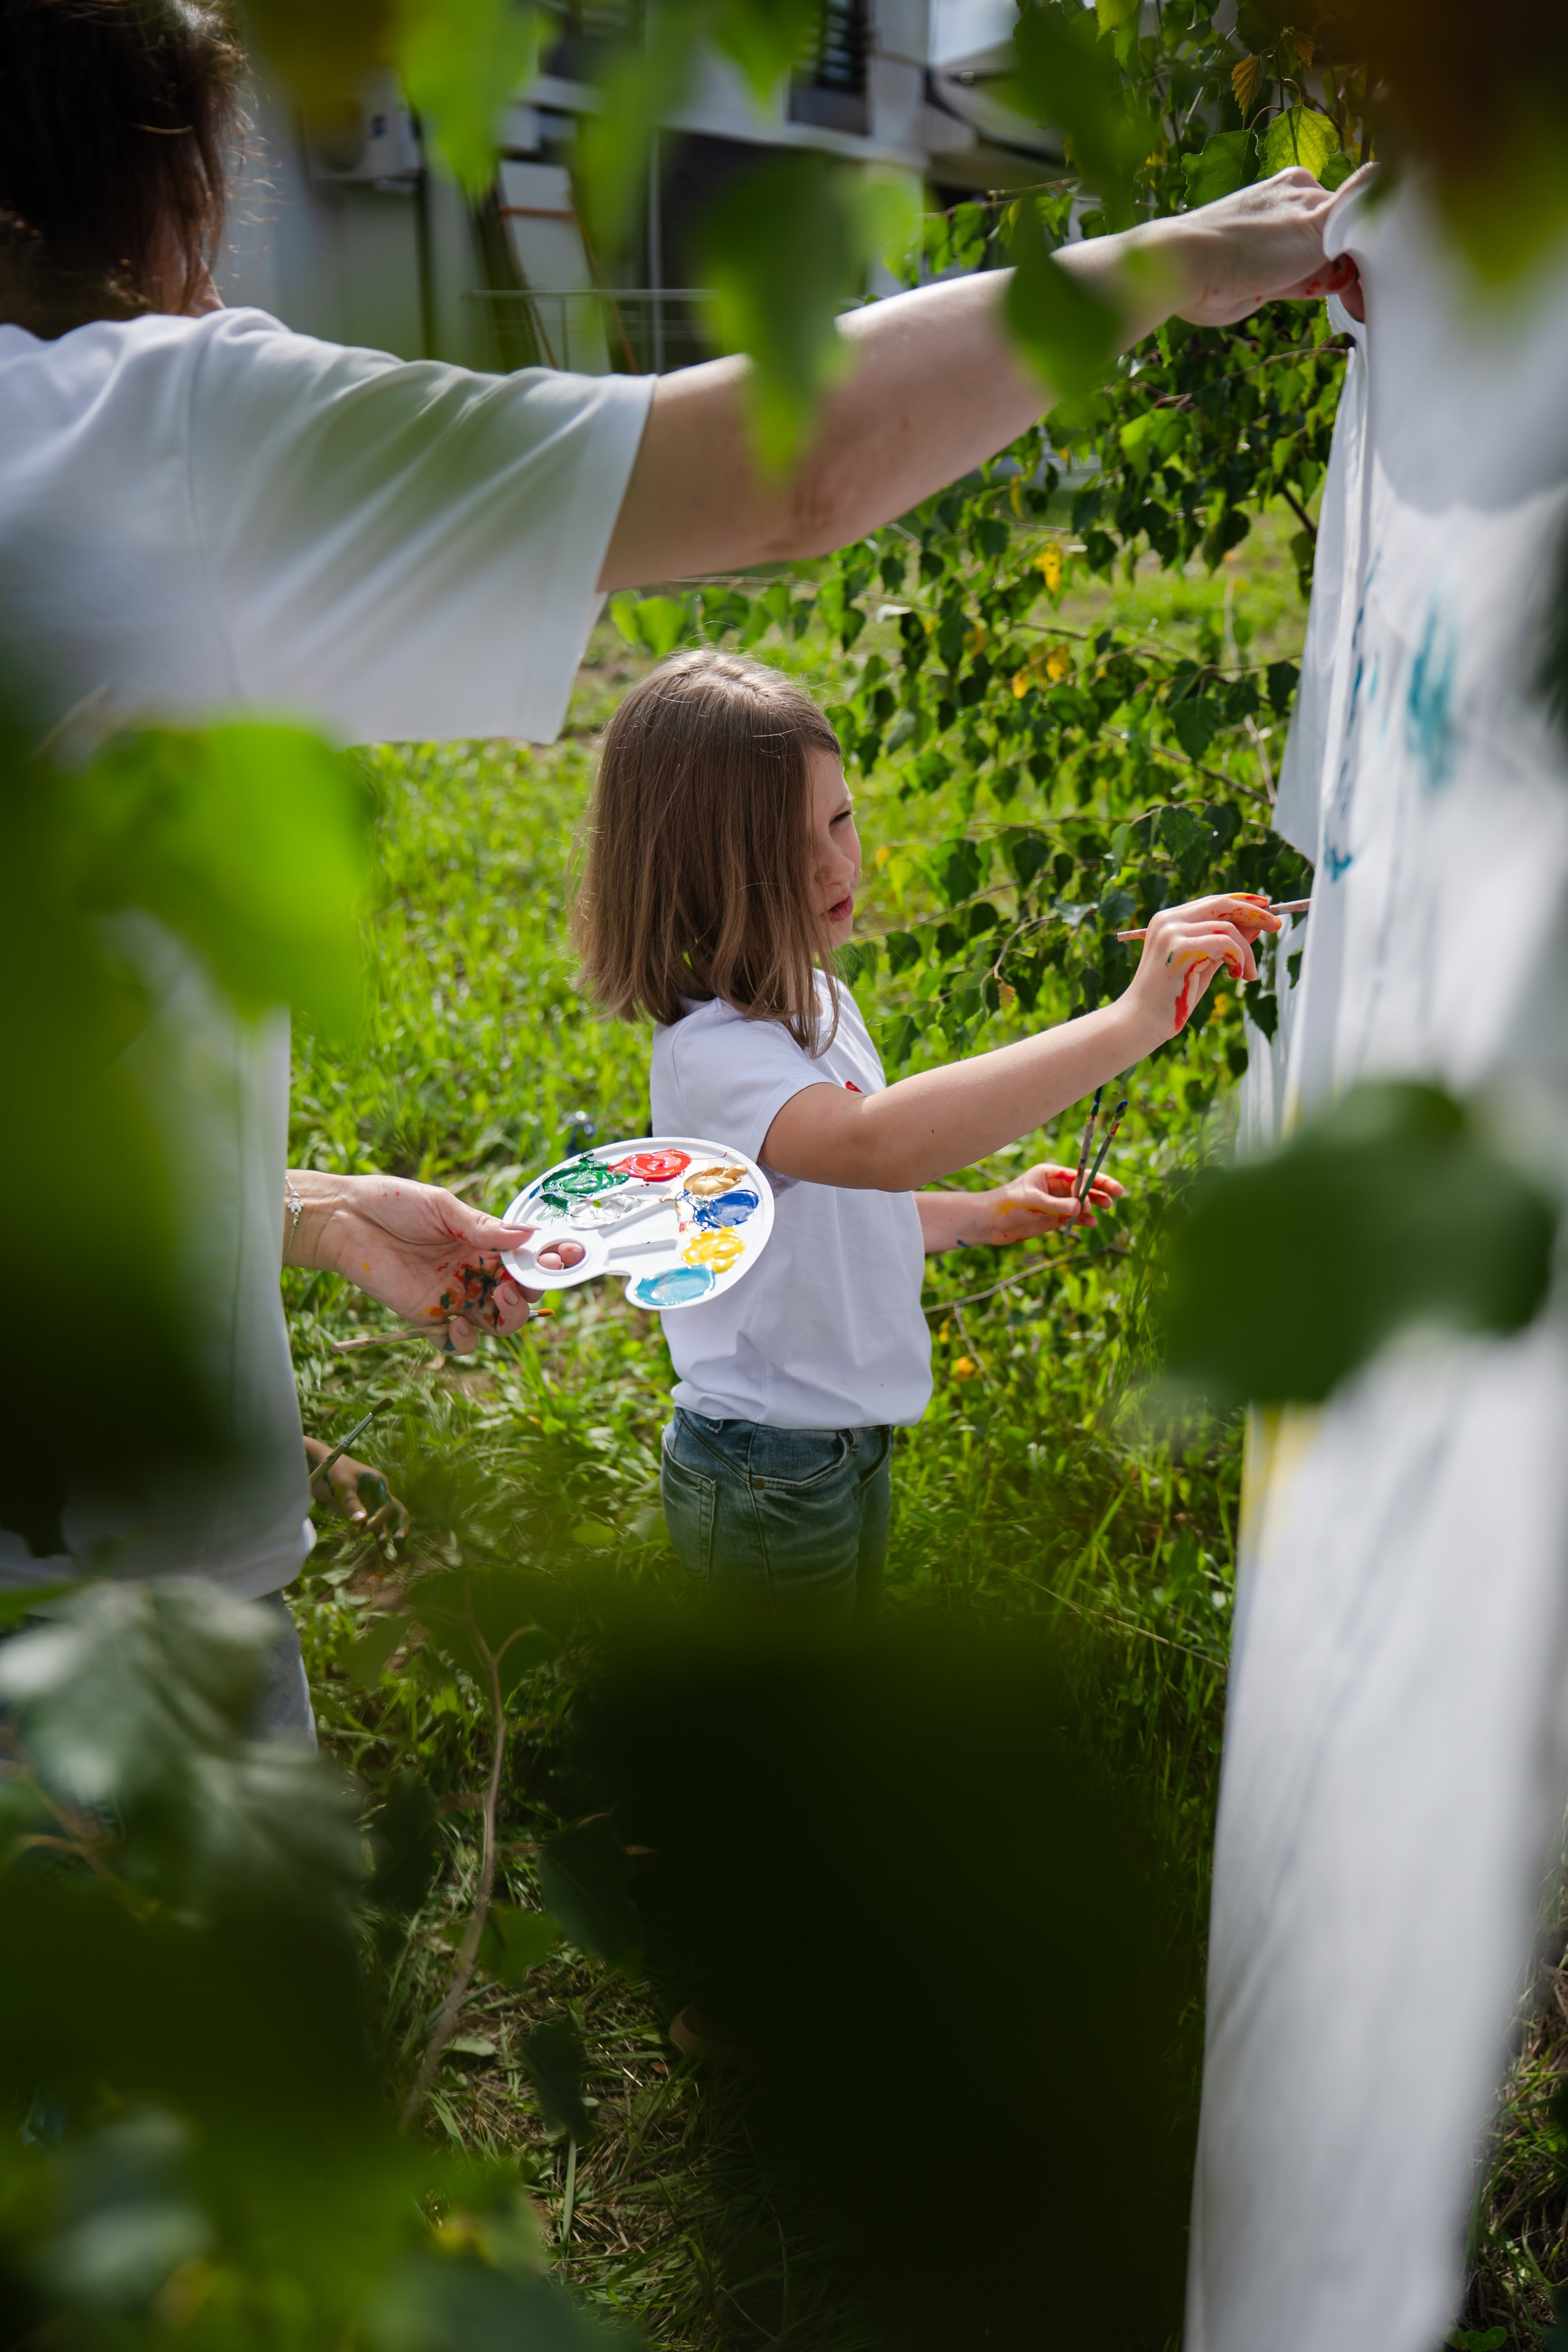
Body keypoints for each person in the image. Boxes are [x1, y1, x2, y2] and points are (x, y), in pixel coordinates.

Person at [0, 0, 1355, 1721]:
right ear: (150, 202)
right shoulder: (122, 436)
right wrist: (1165, 263)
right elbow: (786, 469)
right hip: (98, 1605)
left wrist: (311, 1208)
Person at [571, 652, 1280, 1611]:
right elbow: (876, 1145)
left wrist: (982, 1215)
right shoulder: (716, 1058)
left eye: (841, 818)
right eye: (791, 847)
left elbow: (838, 1207)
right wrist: (1131, 1022)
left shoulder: (814, 997)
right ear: (702, 874)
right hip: (765, 1469)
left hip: (835, 1449)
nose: (837, 865)